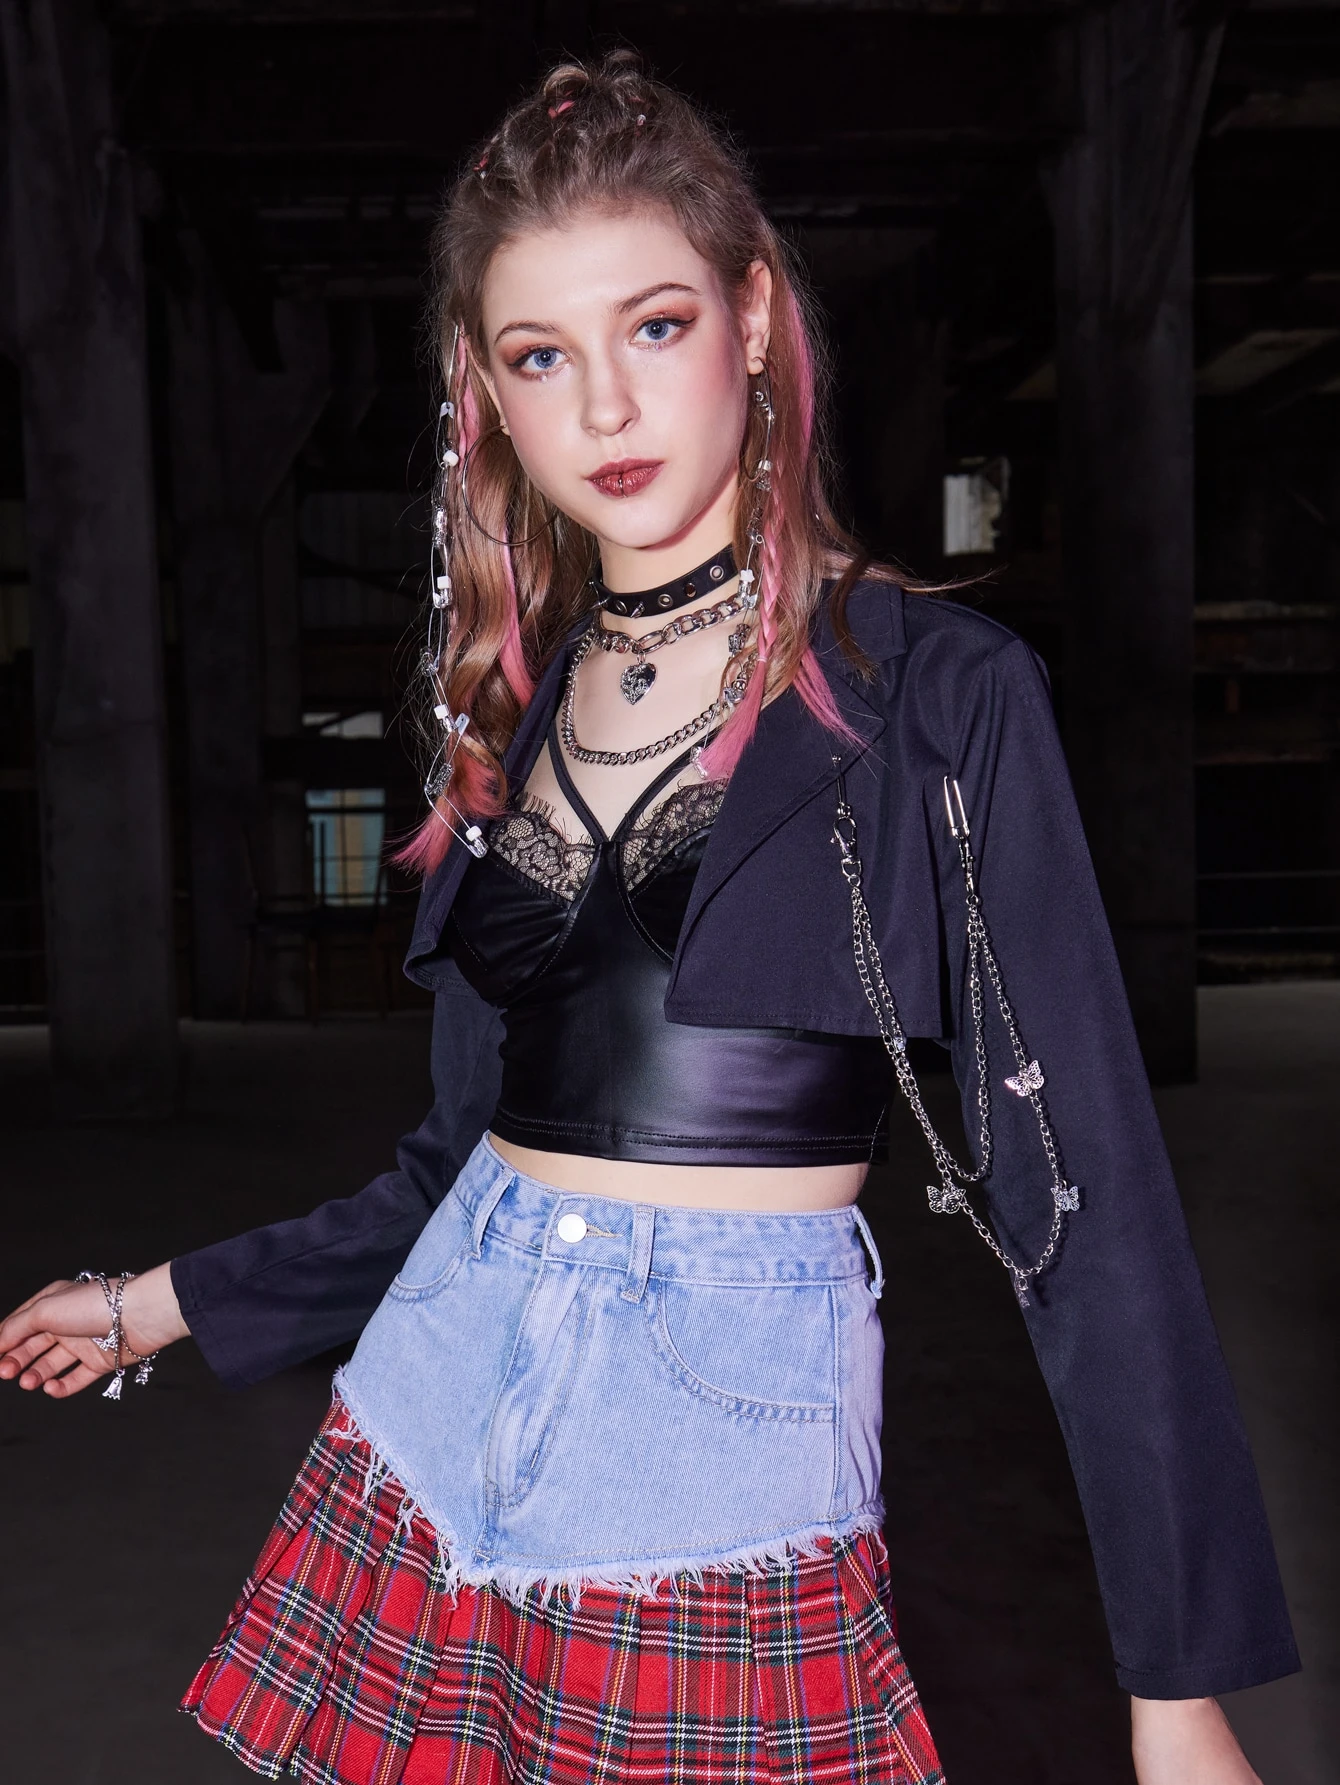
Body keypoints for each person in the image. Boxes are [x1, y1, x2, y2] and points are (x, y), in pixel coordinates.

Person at [0, 51, 1297, 1785]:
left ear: (751, 321)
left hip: (719, 1469)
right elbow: (456, 1164)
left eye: (656, 326)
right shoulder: (507, 717)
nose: (606, 406)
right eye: (543, 355)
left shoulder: (934, 692)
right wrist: (157, 1303)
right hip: (438, 1415)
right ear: (487, 395)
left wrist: (1177, 1680)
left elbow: (1088, 1204)